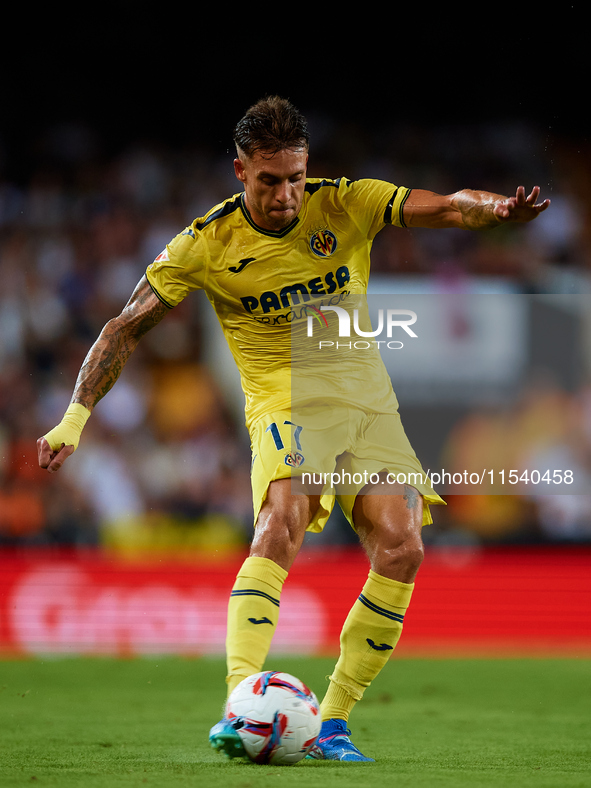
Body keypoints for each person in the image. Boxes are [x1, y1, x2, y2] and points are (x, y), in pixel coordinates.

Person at [38, 96, 550, 762]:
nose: (285, 195)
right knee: (278, 523)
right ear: (240, 171)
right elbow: (123, 327)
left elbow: (448, 204)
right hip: (284, 403)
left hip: (367, 405)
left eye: (295, 178)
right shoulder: (205, 244)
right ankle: (239, 706)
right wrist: (74, 418)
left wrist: (498, 213)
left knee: (402, 546)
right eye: (269, 180)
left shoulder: (345, 204)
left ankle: (332, 722)